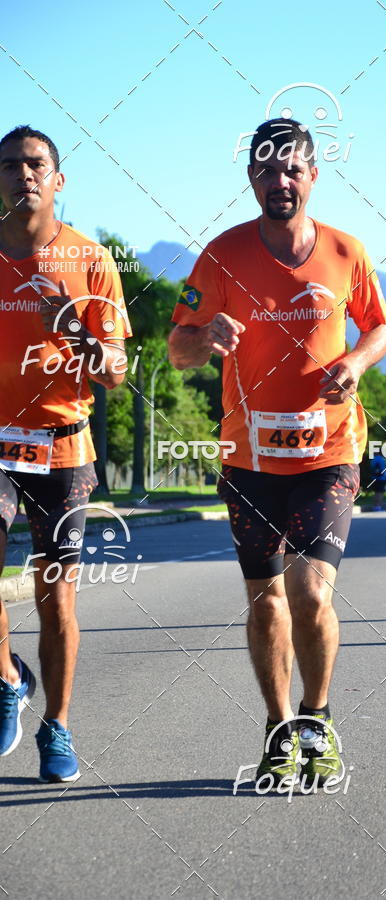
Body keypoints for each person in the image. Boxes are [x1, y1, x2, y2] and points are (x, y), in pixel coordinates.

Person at [168, 118, 386, 787]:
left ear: (314, 176)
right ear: (252, 179)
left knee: (310, 592)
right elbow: (177, 350)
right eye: (267, 169)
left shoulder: (347, 252)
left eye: (293, 168)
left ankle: (317, 720)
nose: (281, 181)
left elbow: (380, 325)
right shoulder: (218, 257)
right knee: (266, 602)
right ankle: (277, 729)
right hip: (249, 460)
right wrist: (204, 334)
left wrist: (356, 360)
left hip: (329, 450)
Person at [0, 126, 131, 780]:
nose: (23, 174)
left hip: (60, 447)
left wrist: (75, 328)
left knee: (56, 599)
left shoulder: (90, 258)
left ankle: (57, 727)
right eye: (11, 165)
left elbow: (115, 370)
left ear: (58, 180)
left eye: (36, 164)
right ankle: (6, 680)